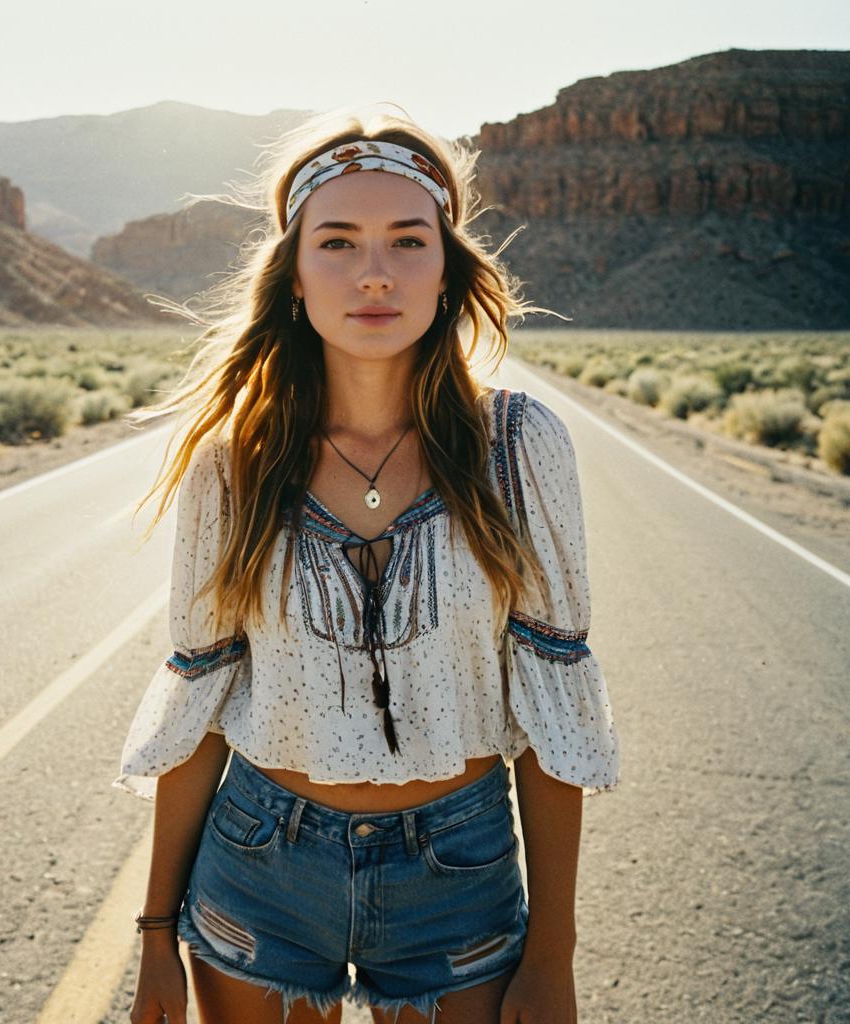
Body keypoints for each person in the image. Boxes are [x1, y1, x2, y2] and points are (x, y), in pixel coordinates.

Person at [113, 105, 621, 1024]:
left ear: (448, 269)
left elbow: (552, 714)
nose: (375, 272)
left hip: (457, 873)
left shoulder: (517, 447)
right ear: (296, 277)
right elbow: (201, 703)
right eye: (338, 242)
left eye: (407, 240)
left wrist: (553, 954)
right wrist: (154, 933)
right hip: (261, 861)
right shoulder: (235, 462)